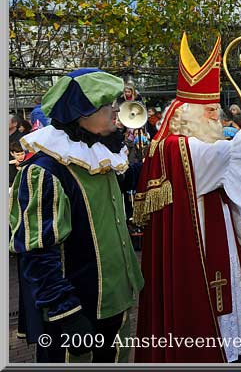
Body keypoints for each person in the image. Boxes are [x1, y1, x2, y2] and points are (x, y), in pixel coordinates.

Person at [133, 33, 241, 363]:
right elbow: (240, 149)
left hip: (190, 236)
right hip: (202, 243)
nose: (217, 118)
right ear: (188, 115)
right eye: (209, 111)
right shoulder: (190, 150)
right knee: (219, 311)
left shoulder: (166, 146)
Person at [9, 68, 144, 363]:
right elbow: (36, 252)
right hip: (78, 313)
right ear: (79, 112)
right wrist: (66, 313)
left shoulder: (100, 154)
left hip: (117, 303)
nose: (115, 110)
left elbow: (129, 180)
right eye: (106, 104)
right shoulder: (46, 171)